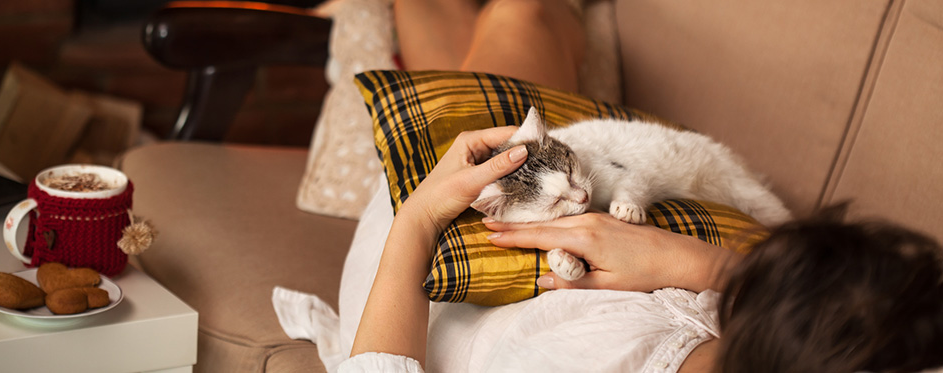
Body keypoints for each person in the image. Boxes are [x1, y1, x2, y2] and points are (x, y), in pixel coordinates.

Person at [343, 0, 943, 371]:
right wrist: (698, 263)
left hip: (413, 273)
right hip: (522, 197)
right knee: (514, 23)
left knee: (518, 17)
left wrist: (419, 217)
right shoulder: (796, 347)